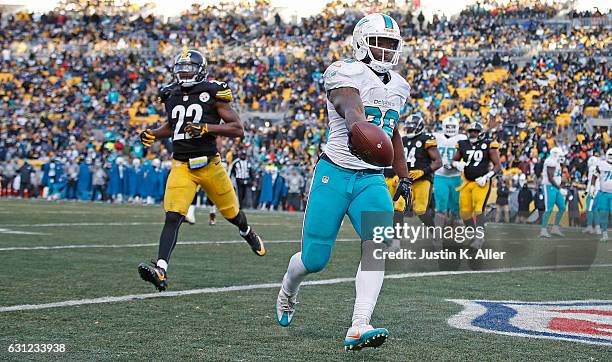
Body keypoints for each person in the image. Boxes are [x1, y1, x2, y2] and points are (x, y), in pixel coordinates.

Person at [275, 13, 411, 352]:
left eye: (391, 44)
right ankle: (289, 288)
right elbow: (349, 106)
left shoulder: (399, 85)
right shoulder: (344, 71)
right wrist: (357, 127)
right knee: (315, 259)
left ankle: (359, 324)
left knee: (376, 248)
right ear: (362, 41)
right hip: (334, 172)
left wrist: (404, 176)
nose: (386, 49)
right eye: (379, 41)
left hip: (372, 180)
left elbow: (393, 133)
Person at [137, 50, 265, 292]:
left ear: (201, 70)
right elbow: (174, 125)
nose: (184, 72)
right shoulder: (170, 94)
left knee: (232, 214)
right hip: (181, 165)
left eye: (189, 68)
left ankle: (247, 232)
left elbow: (238, 129)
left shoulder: (212, 93)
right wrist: (154, 133)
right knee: (173, 215)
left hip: (210, 165)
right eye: (181, 68)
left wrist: (206, 128)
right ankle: (161, 270)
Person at [387, 114, 441, 247]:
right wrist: (396, 174)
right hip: (405, 179)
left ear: (419, 127)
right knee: (398, 207)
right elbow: (396, 160)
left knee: (420, 210)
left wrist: (423, 171)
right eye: (408, 128)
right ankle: (395, 243)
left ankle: (435, 234)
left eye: (411, 128)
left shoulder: (427, 139)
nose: (408, 130)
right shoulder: (402, 140)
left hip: (422, 179)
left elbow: (438, 162)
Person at [452, 122, 502, 251]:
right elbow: (453, 160)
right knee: (464, 212)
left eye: (475, 131)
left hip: (481, 182)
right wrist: (456, 164)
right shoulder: (463, 144)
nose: (473, 133)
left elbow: (498, 166)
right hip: (467, 182)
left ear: (481, 133)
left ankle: (479, 238)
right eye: (471, 131)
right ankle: (474, 233)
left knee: (478, 208)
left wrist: (487, 177)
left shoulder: (489, 144)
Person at [433, 116, 467, 233]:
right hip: (440, 175)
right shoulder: (436, 137)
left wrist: (458, 163)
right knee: (441, 205)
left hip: (455, 176)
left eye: (453, 127)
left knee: (456, 205)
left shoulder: (462, 138)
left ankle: (456, 232)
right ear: (443, 127)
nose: (451, 129)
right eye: (448, 126)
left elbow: (467, 156)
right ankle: (438, 230)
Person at [539, 147, 567, 238]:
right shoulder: (550, 161)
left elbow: (557, 176)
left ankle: (555, 228)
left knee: (562, 207)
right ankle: (543, 230)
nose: (561, 157)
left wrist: (562, 183)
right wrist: (559, 188)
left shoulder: (558, 162)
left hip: (555, 187)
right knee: (549, 208)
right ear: (555, 154)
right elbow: (550, 178)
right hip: (549, 186)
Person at [592, 149, 612, 242]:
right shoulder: (601, 164)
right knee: (603, 214)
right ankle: (604, 233)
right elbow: (594, 175)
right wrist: (592, 186)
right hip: (604, 193)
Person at [583, 155, 601, 234]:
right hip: (599, 190)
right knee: (596, 210)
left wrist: (586, 191)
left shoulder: (591, 169)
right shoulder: (599, 168)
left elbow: (591, 181)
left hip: (593, 190)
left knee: (589, 209)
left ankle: (590, 226)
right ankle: (597, 227)